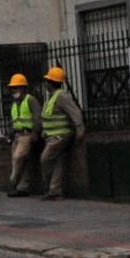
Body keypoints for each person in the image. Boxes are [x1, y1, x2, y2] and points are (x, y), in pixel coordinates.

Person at [39, 65, 85, 200]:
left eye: (47, 80)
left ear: (51, 82)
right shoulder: (51, 98)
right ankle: (55, 191)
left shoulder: (61, 96)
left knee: (45, 159)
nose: (46, 83)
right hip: (52, 137)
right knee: (57, 162)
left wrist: (80, 129)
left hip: (60, 136)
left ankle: (48, 188)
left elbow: (75, 112)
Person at [6, 73, 42, 197]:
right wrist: (10, 133)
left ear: (23, 88)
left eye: (16, 87)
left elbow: (38, 117)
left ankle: (12, 183)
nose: (13, 90)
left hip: (27, 135)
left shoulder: (30, 100)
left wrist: (35, 132)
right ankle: (23, 188)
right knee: (21, 161)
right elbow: (13, 121)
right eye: (12, 88)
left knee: (18, 158)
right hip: (16, 136)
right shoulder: (14, 103)